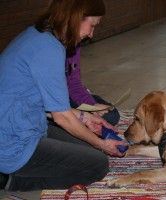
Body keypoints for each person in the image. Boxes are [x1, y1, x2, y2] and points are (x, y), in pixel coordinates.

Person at [0, 0, 128, 191]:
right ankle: (10, 181)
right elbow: (62, 117)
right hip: (12, 143)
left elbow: (53, 107)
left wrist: (85, 117)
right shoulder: (50, 49)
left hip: (21, 124)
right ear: (76, 18)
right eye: (91, 26)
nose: (91, 34)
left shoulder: (36, 35)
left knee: (85, 146)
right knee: (98, 164)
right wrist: (102, 144)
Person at [66, 46, 120, 126]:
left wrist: (92, 105)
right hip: (52, 103)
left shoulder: (74, 44)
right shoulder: (48, 50)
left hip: (68, 94)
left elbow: (74, 84)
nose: (91, 36)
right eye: (90, 32)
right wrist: (82, 115)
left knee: (111, 116)